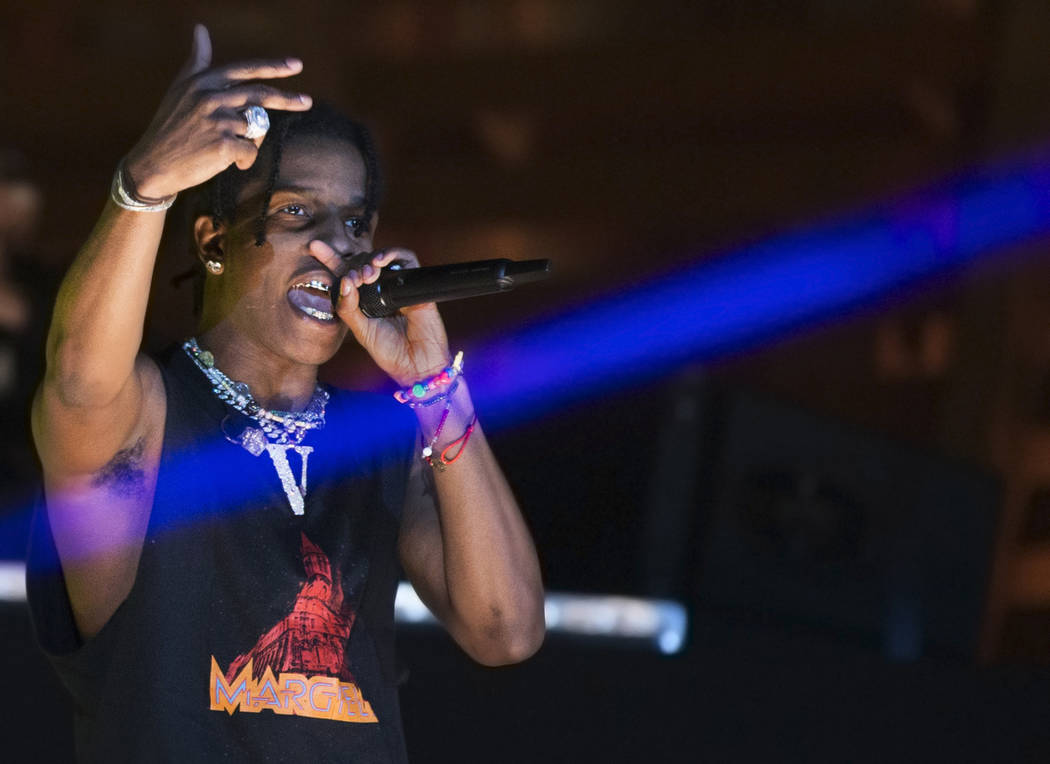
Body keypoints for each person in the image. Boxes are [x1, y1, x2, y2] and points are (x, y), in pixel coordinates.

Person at [26, 24, 544, 762]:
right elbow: (77, 378)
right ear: (212, 243)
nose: (336, 247)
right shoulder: (147, 417)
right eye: (297, 213)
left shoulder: (385, 442)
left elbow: (507, 630)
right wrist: (143, 188)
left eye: (355, 222)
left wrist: (435, 388)